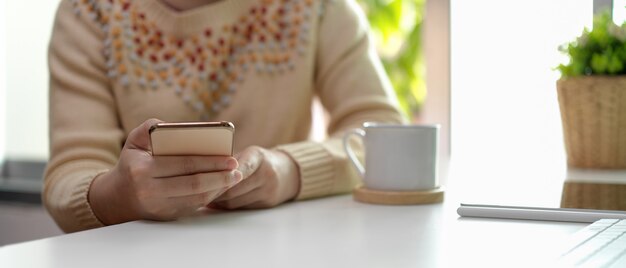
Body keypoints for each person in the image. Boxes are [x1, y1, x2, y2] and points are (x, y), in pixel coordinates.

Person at [44, 0, 404, 233]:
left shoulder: (318, 6)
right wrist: (120, 194)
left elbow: (387, 135)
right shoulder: (88, 10)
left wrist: (289, 170)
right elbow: (69, 174)